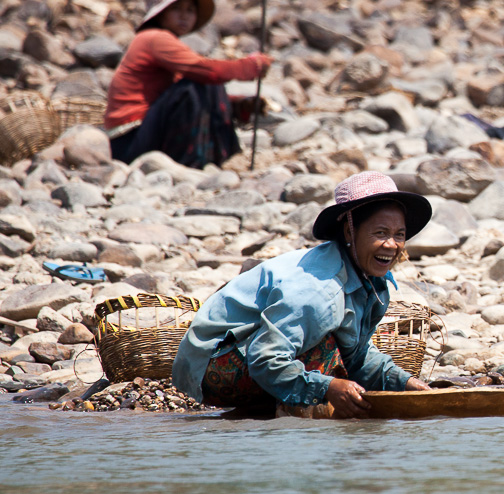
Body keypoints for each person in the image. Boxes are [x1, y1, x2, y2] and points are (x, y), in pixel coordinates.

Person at [172, 171, 435, 417]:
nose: (392, 245)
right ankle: (293, 416)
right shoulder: (320, 291)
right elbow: (266, 359)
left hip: (255, 354)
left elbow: (357, 354)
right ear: (349, 232)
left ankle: (273, 407)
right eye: (380, 233)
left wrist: (407, 383)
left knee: (339, 359)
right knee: (328, 352)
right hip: (211, 366)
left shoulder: (370, 281)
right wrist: (328, 388)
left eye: (399, 235)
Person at [103, 0, 272, 168]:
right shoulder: (155, 38)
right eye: (176, 9)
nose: (184, 16)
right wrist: (249, 67)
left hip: (141, 135)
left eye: (190, 10)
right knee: (198, 81)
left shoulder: (161, 41)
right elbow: (205, 72)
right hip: (129, 140)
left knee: (203, 81)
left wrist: (240, 104)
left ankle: (219, 160)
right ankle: (196, 162)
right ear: (161, 14)